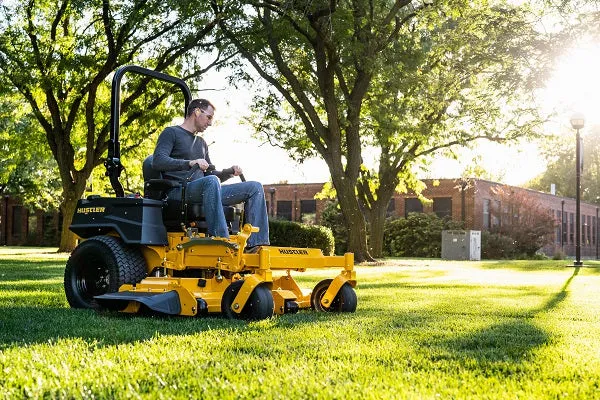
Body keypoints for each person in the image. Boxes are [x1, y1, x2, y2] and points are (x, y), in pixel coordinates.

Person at [152, 98, 269, 252]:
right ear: (197, 112)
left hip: (206, 190)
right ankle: (221, 240)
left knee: (255, 187)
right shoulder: (171, 133)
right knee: (211, 182)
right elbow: (158, 161)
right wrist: (190, 162)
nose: (210, 123)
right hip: (179, 192)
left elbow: (210, 174)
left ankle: (256, 245)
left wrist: (228, 172)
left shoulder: (201, 143)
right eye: (209, 117)